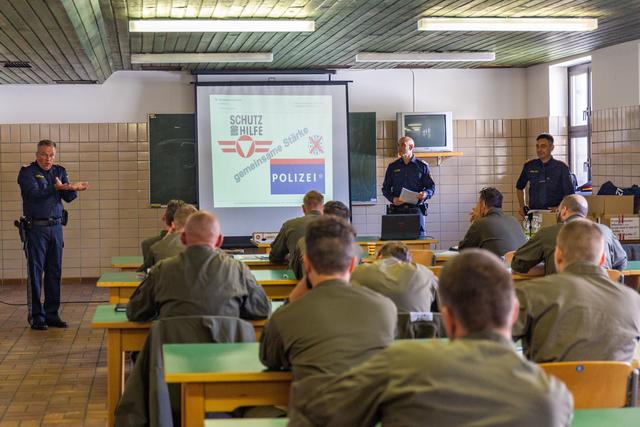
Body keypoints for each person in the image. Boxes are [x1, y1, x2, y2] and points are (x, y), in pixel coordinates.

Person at [290, 249, 573, 427]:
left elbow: (316, 417)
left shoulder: (402, 364)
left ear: (447, 318)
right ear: (513, 312)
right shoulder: (553, 396)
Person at [260, 216, 396, 390]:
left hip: (311, 414)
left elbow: (268, 359)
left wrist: (291, 299)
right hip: (369, 415)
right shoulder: (385, 308)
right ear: (353, 264)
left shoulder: (286, 316)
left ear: (307, 263)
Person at [513, 220, 640, 363]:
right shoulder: (633, 301)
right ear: (602, 259)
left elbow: (494, 340)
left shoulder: (529, 294)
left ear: (558, 256)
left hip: (549, 384)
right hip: (613, 385)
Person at [127, 211, 271, 321]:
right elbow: (262, 309)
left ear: (183, 238)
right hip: (226, 353)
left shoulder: (161, 270)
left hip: (173, 353)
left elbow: (135, 312)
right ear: (219, 241)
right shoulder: (238, 269)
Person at [17, 139, 89, 330]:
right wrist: (55, 188)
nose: (48, 159)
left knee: (54, 272)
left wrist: (72, 189)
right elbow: (33, 194)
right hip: (36, 229)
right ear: (37, 155)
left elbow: (68, 198)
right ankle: (36, 317)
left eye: (51, 155)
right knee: (35, 272)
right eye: (44, 155)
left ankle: (52, 314)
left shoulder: (59, 171)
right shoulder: (27, 172)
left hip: (56, 228)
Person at [512, 194, 627, 275]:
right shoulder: (605, 231)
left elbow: (518, 264)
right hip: (601, 300)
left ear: (564, 210)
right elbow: (621, 261)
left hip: (560, 300)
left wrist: (547, 268)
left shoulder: (547, 233)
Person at [350, 241, 438, 312]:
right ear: (409, 260)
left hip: (374, 332)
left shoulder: (359, 272)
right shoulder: (425, 273)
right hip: (415, 333)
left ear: (378, 256)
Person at [382, 136, 436, 236]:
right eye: (398, 145)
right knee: (396, 244)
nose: (399, 147)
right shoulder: (393, 167)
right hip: (397, 211)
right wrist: (393, 199)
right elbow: (385, 189)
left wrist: (425, 194)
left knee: (418, 243)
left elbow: (431, 188)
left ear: (411, 147)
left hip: (416, 211)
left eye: (403, 145)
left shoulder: (422, 166)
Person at [516, 133, 574, 217]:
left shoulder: (561, 168)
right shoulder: (529, 166)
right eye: (537, 146)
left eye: (543, 146)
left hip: (554, 213)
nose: (539, 149)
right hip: (533, 213)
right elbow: (519, 187)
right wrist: (522, 206)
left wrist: (560, 207)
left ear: (552, 148)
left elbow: (569, 194)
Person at [290, 200, 351, 280]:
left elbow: (297, 273)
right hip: (344, 290)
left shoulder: (304, 242)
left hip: (311, 289)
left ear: (323, 218)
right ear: (346, 223)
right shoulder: (354, 249)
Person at [458, 187, 526, 257]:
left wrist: (477, 220)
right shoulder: (513, 220)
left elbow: (463, 250)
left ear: (483, 204)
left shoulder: (481, 223)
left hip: (499, 266)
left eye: (478, 203)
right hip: (519, 266)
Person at [269, 190, 324, 268]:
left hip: (298, 276)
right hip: (331, 275)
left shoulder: (290, 225)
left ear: (303, 208)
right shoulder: (337, 225)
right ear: (323, 207)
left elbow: (275, 257)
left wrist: (291, 257)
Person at [140, 203, 197, 271]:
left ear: (173, 225)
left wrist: (165, 241)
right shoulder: (206, 249)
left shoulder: (156, 248)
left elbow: (143, 273)